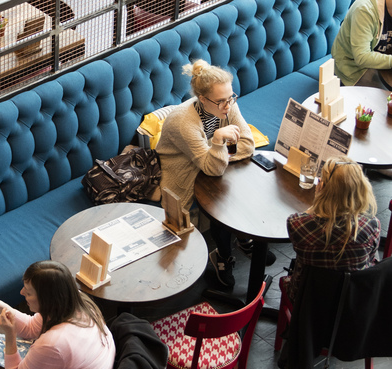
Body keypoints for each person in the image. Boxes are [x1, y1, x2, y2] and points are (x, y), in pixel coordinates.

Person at [153, 59, 269, 289]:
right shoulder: (183, 121)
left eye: (231, 98)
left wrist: (216, 153)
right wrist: (217, 141)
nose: (228, 106)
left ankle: (243, 238)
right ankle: (223, 257)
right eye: (221, 101)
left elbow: (247, 145)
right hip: (180, 171)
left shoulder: (226, 104)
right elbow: (212, 167)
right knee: (220, 198)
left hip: (206, 163)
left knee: (240, 185)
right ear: (203, 99)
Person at [285, 156, 380, 303]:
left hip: (307, 300)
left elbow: (305, 217)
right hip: (352, 302)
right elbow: (371, 261)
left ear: (322, 188)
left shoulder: (297, 224)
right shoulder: (372, 225)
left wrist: (318, 200)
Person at [331, 0, 392, 88]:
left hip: (380, 61)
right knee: (385, 100)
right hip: (353, 69)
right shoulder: (364, 10)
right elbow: (362, 57)